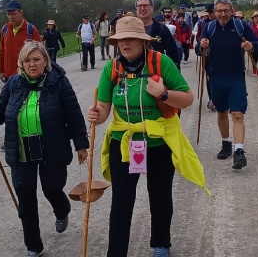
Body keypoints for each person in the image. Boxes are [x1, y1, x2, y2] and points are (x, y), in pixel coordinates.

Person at [87, 16, 209, 257]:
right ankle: (116, 252)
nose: (125, 43)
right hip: (125, 143)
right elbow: (103, 109)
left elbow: (187, 98)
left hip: (158, 141)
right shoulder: (112, 69)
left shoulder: (160, 62)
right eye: (120, 39)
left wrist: (163, 94)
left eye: (131, 38)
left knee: (160, 194)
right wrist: (96, 114)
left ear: (143, 41)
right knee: (122, 200)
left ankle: (161, 243)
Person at [0, 41, 90, 257]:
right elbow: (0, 108)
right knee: (25, 196)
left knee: (52, 188)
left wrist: (81, 145)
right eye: (27, 60)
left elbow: (74, 115)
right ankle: (33, 246)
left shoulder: (59, 82)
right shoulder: (13, 83)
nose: (32, 64)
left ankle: (62, 210)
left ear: (45, 61)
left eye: (37, 59)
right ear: (21, 63)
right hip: (21, 150)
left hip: (52, 148)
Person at [195, 0, 258, 170]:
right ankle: (226, 143)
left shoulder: (240, 26)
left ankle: (239, 151)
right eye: (219, 11)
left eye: (226, 10)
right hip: (216, 77)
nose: (223, 14)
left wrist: (250, 46)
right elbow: (197, 49)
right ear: (214, 12)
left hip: (236, 78)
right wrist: (201, 45)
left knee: (238, 114)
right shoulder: (209, 27)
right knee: (222, 112)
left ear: (232, 11)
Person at [0, 0, 42, 83]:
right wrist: (1, 70)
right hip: (9, 75)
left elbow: (40, 52)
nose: (11, 17)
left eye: (13, 14)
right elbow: (1, 51)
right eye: (8, 14)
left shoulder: (31, 30)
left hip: (27, 74)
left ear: (21, 13)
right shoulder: (4, 30)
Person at [135, 0, 181, 70]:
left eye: (145, 5)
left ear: (152, 8)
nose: (142, 8)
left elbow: (173, 54)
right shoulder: (130, 29)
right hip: (135, 74)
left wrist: (175, 72)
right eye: (139, 6)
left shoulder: (161, 29)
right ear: (136, 9)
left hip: (157, 73)